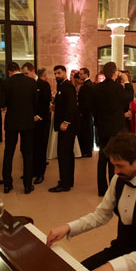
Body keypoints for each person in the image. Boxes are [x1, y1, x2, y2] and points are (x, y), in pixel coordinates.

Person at [46, 132, 136, 271]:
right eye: (113, 165)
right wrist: (68, 228)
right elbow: (101, 215)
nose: (115, 171)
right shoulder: (118, 180)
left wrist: (113, 268)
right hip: (119, 250)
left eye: (120, 166)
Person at [92, 62, 134, 196]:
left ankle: (101, 189)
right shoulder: (117, 87)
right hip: (115, 127)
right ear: (115, 73)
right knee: (113, 158)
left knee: (102, 158)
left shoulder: (97, 88)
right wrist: (127, 82)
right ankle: (113, 188)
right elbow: (129, 96)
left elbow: (94, 108)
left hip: (102, 126)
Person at [1, 62, 37, 194]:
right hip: (27, 121)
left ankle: (7, 184)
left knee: (8, 153)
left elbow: (2, 103)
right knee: (28, 153)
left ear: (10, 71)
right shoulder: (31, 82)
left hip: (11, 122)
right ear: (18, 69)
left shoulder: (5, 83)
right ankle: (27, 185)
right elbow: (35, 102)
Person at [49, 65, 80, 193]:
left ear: (64, 73)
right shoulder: (61, 86)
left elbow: (72, 106)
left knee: (64, 154)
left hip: (67, 127)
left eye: (59, 73)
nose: (56, 75)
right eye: (55, 73)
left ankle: (65, 183)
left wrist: (66, 122)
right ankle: (68, 180)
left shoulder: (68, 86)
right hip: (63, 126)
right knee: (66, 154)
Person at [22, 62, 52, 184]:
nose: (25, 76)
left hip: (42, 121)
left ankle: (40, 173)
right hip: (30, 122)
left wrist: (38, 116)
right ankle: (32, 171)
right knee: (32, 147)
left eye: (26, 73)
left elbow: (46, 102)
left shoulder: (43, 84)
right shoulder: (26, 85)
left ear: (32, 71)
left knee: (41, 148)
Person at [77, 67, 94, 158]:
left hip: (85, 112)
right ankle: (86, 150)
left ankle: (87, 151)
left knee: (86, 131)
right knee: (87, 131)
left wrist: (81, 111)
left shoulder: (87, 85)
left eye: (81, 74)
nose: (80, 75)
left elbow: (86, 101)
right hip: (86, 112)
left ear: (86, 74)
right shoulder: (87, 84)